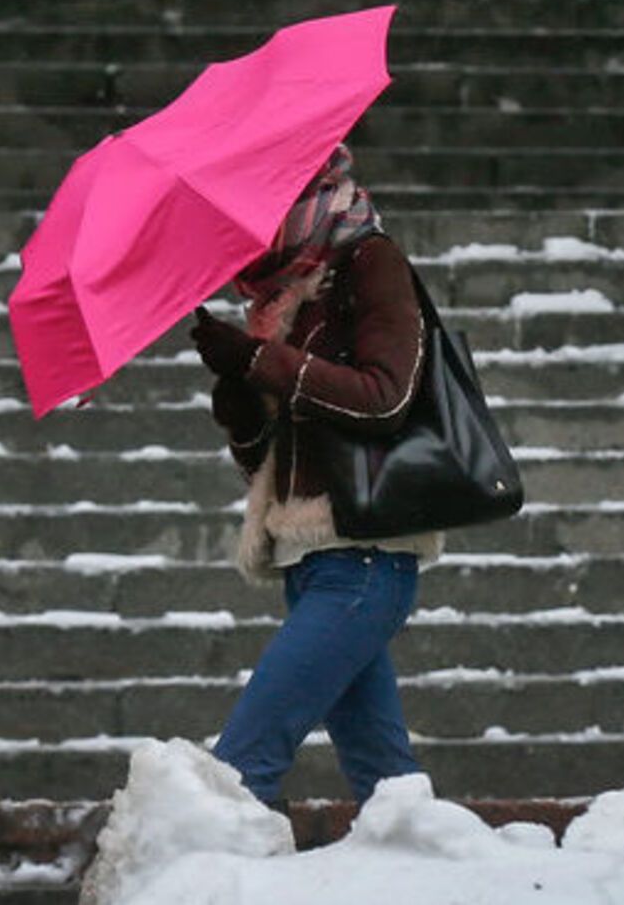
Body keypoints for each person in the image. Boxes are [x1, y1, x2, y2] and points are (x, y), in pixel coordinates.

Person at [188, 143, 443, 808]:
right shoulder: (282, 297)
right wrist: (240, 395)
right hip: (311, 564)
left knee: (239, 770)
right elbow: (279, 460)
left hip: (363, 558)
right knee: (389, 787)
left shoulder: (369, 260)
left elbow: (384, 396)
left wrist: (257, 359)